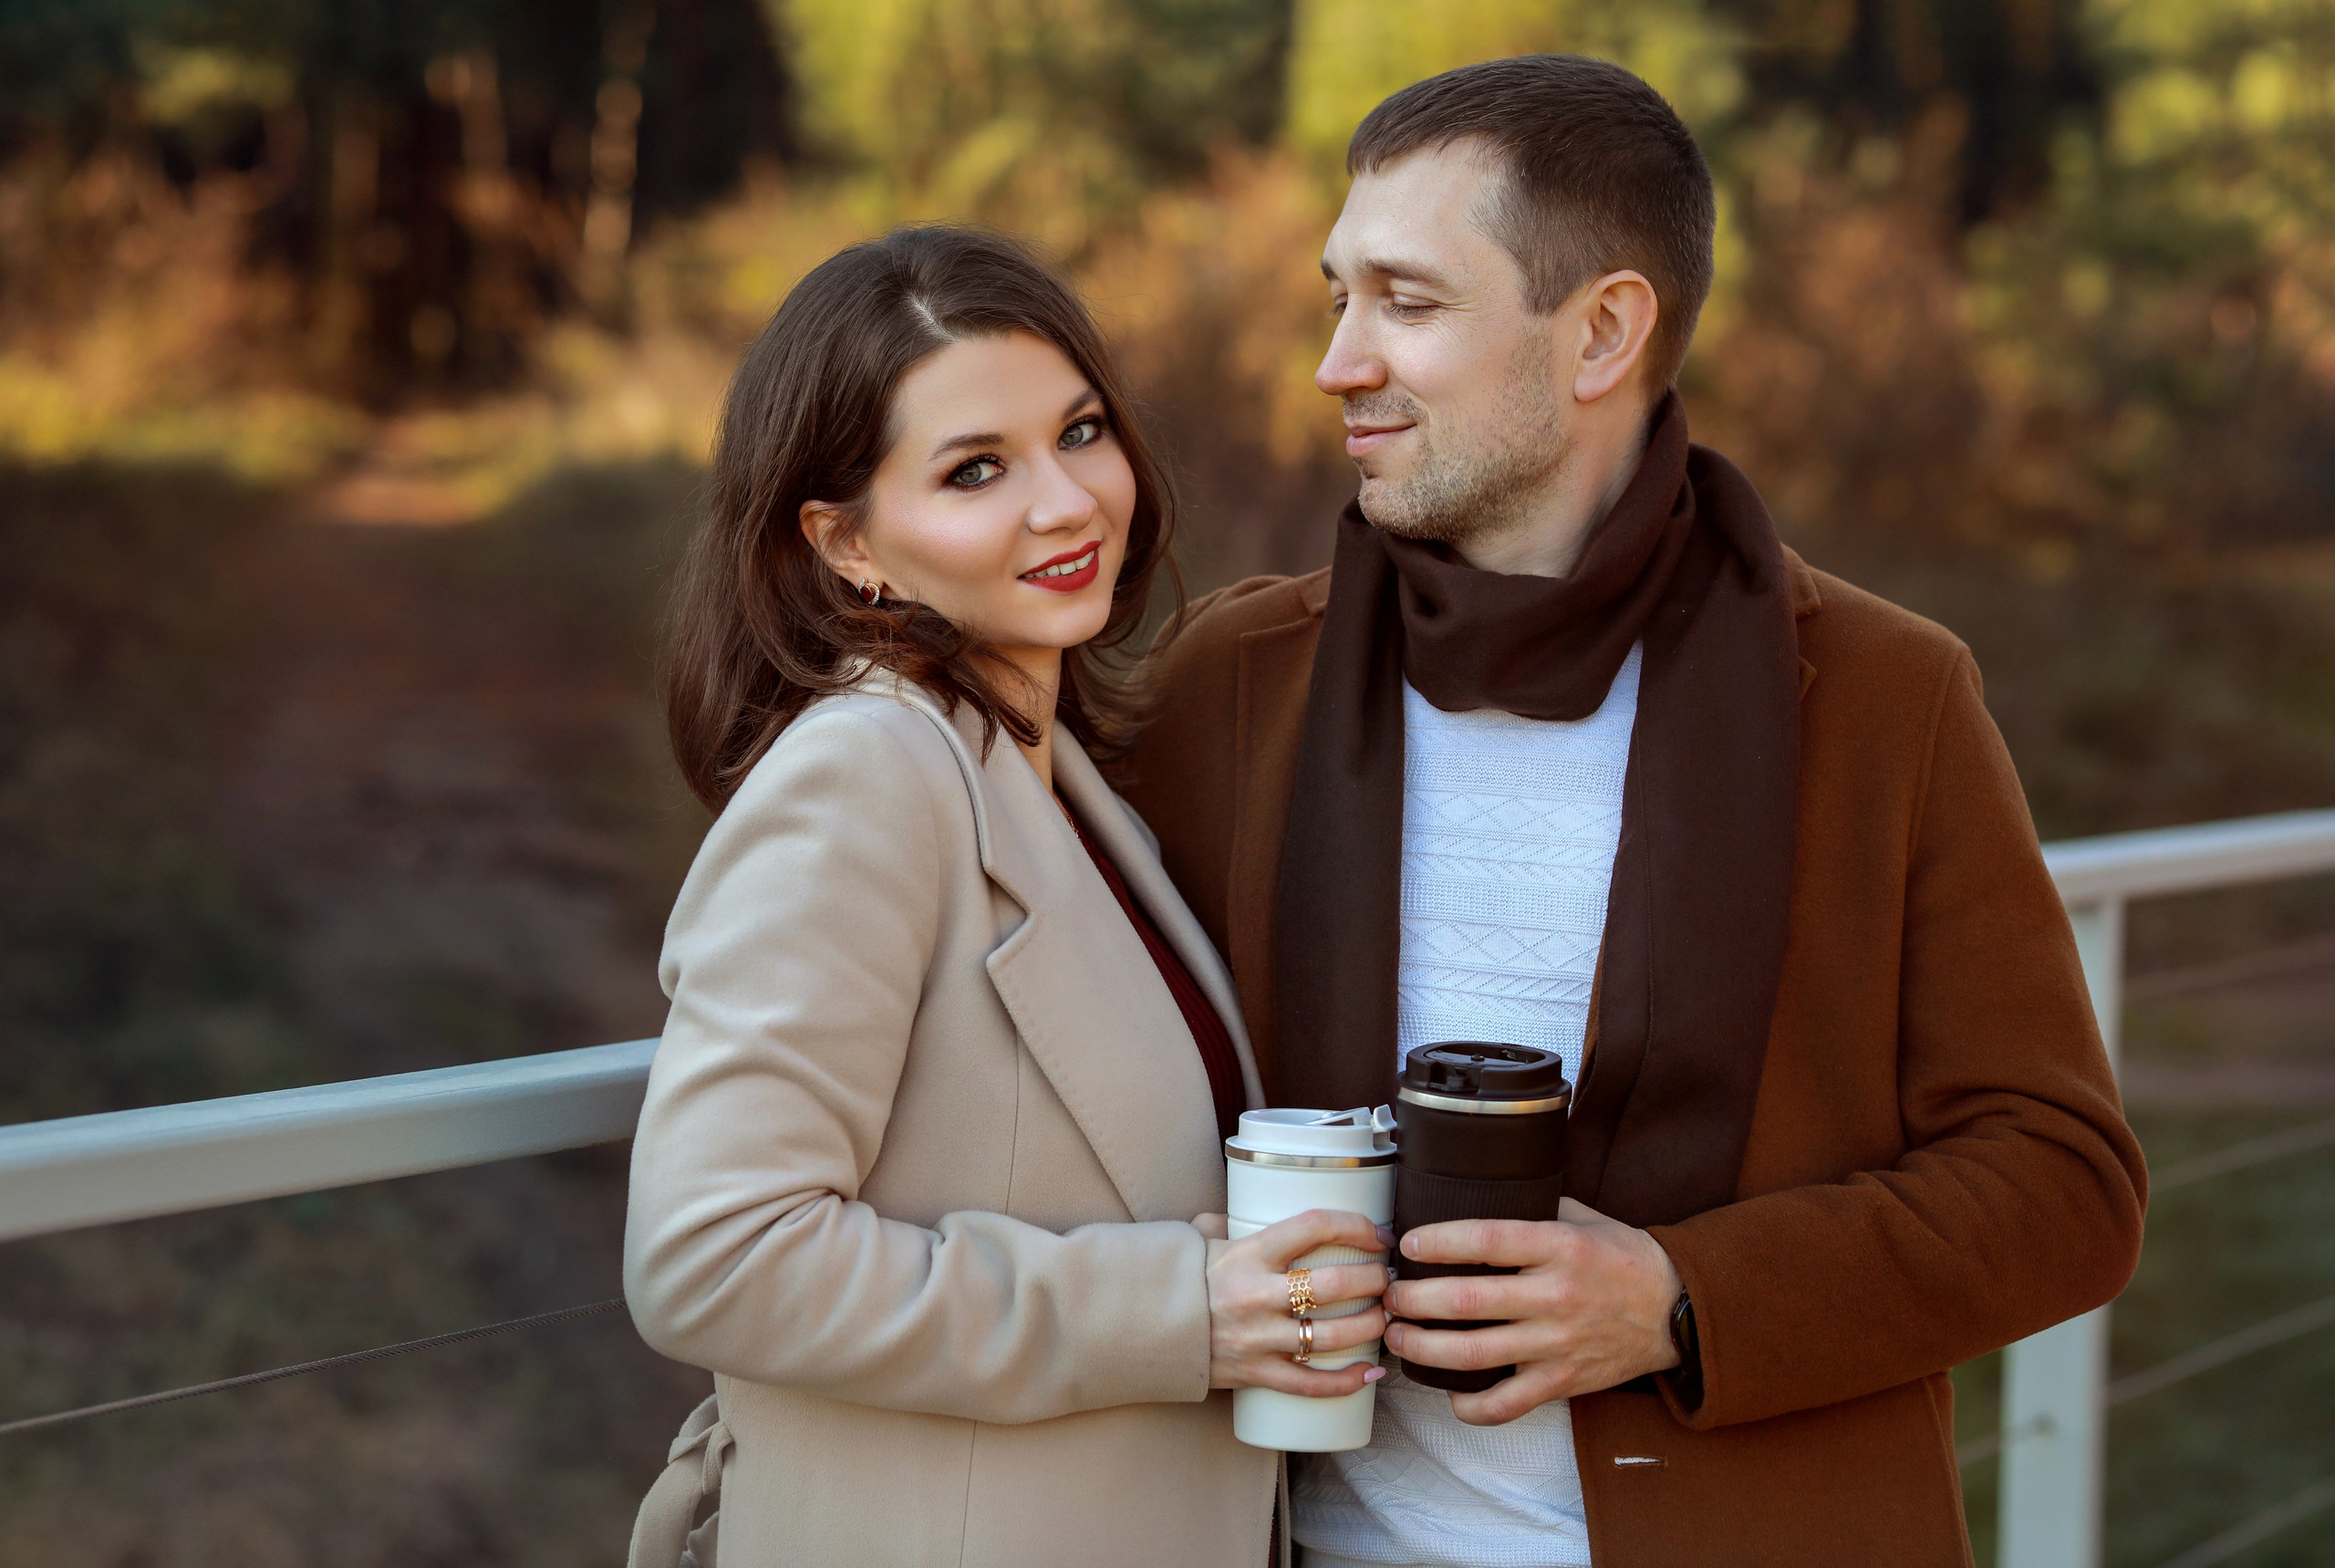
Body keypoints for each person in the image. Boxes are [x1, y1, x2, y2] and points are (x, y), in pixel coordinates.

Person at [1116, 55, 2148, 1568]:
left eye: (1406, 303)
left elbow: (2064, 1187)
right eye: (1334, 298)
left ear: (1601, 332)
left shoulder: (1879, 696)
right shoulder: (1227, 684)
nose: (1338, 362)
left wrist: (1676, 1294)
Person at [622, 224, 1392, 1568]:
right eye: (976, 469)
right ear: (847, 543)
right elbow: (713, 1255)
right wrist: (1178, 1314)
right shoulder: (863, 776)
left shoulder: (1061, 782)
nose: (1067, 502)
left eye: (1082, 432)